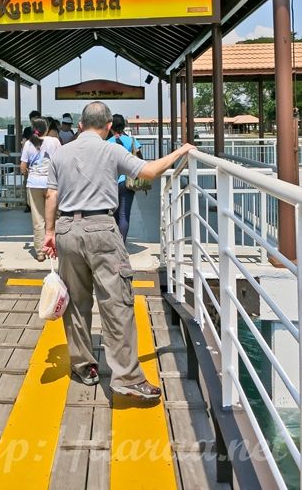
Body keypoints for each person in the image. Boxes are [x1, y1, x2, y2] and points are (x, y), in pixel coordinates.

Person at [43, 101, 194, 401]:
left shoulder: (60, 151)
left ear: (82, 124)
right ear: (109, 126)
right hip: (101, 230)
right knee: (116, 303)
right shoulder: (112, 149)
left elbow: (51, 194)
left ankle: (84, 366)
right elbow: (149, 172)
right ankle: (126, 377)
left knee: (75, 303)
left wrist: (49, 232)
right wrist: (181, 151)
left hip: (66, 231)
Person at [20, 118, 61, 261]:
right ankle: (56, 248)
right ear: (47, 129)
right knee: (55, 216)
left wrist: (29, 173)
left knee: (38, 219)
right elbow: (60, 160)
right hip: (52, 184)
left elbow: (23, 167)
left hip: (34, 184)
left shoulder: (28, 144)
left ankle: (40, 252)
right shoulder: (54, 141)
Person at [107, 113, 142, 244]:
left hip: (110, 183)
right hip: (127, 183)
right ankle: (122, 244)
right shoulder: (131, 141)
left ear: (110, 126)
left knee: (113, 215)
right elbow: (140, 159)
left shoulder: (107, 143)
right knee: (124, 215)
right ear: (124, 126)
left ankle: (114, 242)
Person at [21, 110, 41, 213]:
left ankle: (37, 204)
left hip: (40, 161)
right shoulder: (27, 130)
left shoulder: (43, 130)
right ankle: (28, 204)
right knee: (27, 183)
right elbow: (24, 142)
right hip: (29, 161)